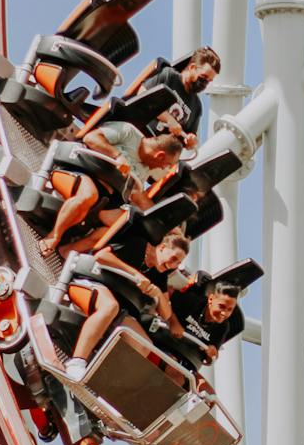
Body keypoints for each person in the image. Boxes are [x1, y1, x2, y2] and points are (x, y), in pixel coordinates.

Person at [38, 114, 190, 257]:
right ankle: (54, 236)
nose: (163, 169)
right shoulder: (129, 132)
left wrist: (165, 226)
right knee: (89, 195)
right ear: (160, 156)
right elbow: (91, 138)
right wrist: (117, 155)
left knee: (121, 227)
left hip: (107, 196)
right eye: (166, 164)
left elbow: (137, 196)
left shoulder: (144, 170)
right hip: (82, 169)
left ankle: (67, 251)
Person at [62, 226, 195, 379]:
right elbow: (101, 256)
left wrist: (158, 293)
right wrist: (135, 274)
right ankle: (77, 362)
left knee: (143, 345)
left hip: (118, 308)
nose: (173, 266)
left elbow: (166, 314)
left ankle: (100, 377)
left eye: (178, 263)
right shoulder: (138, 245)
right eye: (173, 259)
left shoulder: (159, 275)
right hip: (90, 284)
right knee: (110, 306)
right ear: (163, 247)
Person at [168, 260, 262, 378]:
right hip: (168, 347)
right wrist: (173, 321)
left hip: (187, 361)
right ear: (211, 299)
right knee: (175, 373)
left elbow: (211, 356)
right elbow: (165, 295)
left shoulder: (223, 327)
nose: (224, 313)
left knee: (208, 393)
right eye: (221, 307)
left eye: (229, 310)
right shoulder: (192, 302)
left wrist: (212, 353)